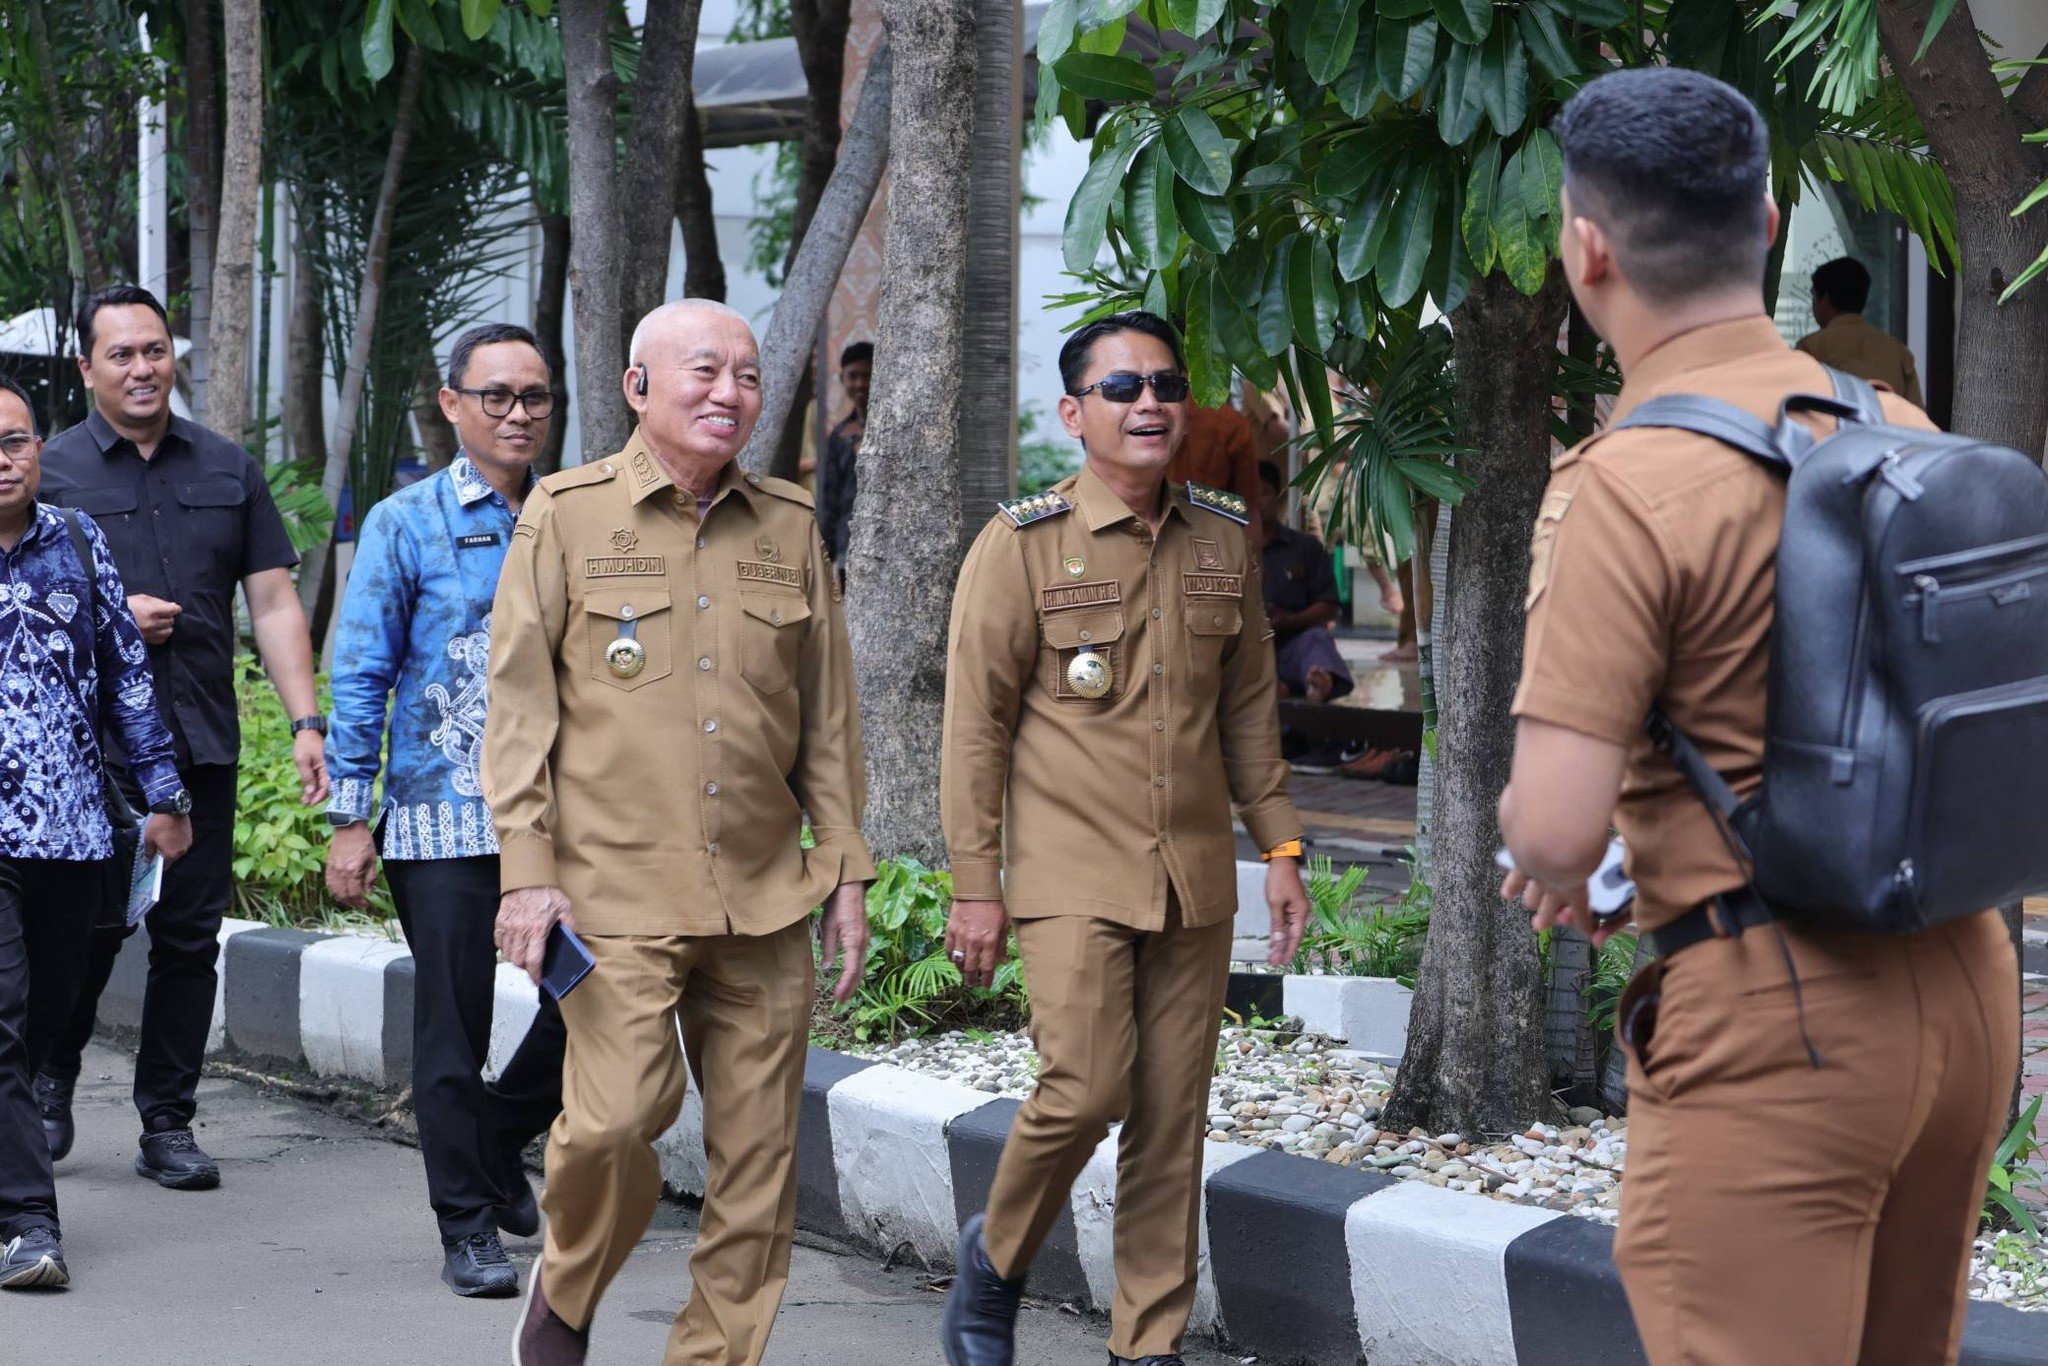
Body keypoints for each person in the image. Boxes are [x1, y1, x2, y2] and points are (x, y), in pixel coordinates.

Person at [1498, 69, 2015, 1366]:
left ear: (1587, 247)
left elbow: (1555, 831)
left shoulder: (1624, 485)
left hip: (1780, 1005)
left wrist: (1564, 847)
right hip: (1964, 984)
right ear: (1771, 223)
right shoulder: (1896, 419)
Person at [485, 300, 874, 1365]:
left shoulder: (788, 526)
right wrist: (527, 876)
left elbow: (826, 723)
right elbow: (518, 715)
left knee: (757, 1168)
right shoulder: (564, 516)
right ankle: (566, 1291)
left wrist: (841, 870)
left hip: (760, 896)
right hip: (611, 896)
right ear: (637, 386)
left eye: (746, 375)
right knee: (615, 1121)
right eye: (704, 370)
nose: (729, 392)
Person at [938, 311, 1310, 1366]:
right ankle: (994, 1259)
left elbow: (1248, 713)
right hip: (1067, 873)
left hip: (1190, 878)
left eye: (1163, 384)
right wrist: (976, 882)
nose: (1147, 403)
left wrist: (1279, 851)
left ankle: (1143, 1346)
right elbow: (974, 728)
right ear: (1073, 413)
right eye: (1120, 388)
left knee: (1168, 1121)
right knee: (1086, 1086)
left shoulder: (1221, 536)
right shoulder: (1019, 545)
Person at [34, 285, 328, 1192]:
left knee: (188, 940)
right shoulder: (48, 472)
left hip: (200, 739)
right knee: (79, 936)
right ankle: (49, 1078)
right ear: (87, 369)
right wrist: (109, 614)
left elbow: (272, 600)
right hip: (83, 757)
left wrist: (305, 721)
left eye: (154, 350)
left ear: (175, 358)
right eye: (120, 354)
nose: (141, 368)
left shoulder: (226, 469)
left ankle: (168, 1120)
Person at [323, 324, 568, 1299]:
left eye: (535, 396)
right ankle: (465, 1223)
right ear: (453, 403)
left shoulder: (575, 516)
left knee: (601, 1004)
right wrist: (351, 814)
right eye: (498, 395)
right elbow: (363, 668)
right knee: (451, 1029)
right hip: (443, 823)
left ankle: (500, 1131)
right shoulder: (405, 520)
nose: (518, 413)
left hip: (567, 823)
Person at [0, 374, 192, 1289]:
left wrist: (165, 797)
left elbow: (126, 679)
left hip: (74, 835)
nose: (2, 461)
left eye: (15, 441)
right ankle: (30, 1224)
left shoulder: (76, 543)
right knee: (0, 1019)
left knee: (45, 1025)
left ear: (41, 449)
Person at [1255, 460, 1353, 704]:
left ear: (1278, 498)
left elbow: (1329, 605)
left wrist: (1289, 621)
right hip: (1247, 652)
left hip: (1293, 647)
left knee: (1317, 639)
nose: (1256, 501)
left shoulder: (1304, 547)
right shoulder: (1228, 547)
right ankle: (1276, 687)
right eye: (1249, 494)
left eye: (1264, 493)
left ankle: (1317, 682)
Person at [1796, 256, 1924, 406]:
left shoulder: (1811, 348)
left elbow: (1796, 410)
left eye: (1813, 296)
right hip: (1890, 428)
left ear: (1825, 300)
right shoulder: (1898, 352)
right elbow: (1917, 416)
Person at [1166, 396, 1262, 545]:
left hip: (1147, 541)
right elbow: (1248, 509)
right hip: (1215, 546)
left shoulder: (1137, 416)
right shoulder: (1230, 422)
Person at [815, 339, 872, 569]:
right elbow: (830, 497)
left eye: (867, 375)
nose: (860, 383)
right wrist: (826, 552)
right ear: (842, 379)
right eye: (853, 376)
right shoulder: (839, 436)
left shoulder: (896, 432)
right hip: (847, 548)